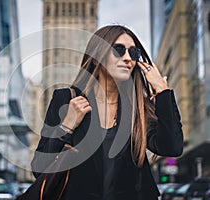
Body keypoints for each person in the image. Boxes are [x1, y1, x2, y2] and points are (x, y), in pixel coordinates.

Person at [31, 25, 183, 200]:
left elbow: (172, 146)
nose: (128, 58)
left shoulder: (138, 107)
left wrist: (163, 92)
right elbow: (39, 168)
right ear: (97, 57)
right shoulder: (66, 99)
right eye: (119, 50)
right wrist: (66, 125)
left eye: (133, 53)